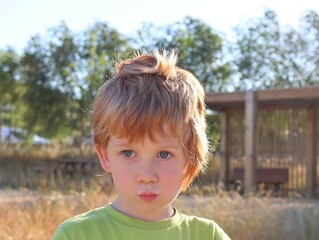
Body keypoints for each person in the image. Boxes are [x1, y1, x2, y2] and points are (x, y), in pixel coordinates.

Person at [52, 50, 231, 240]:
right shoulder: (76, 235)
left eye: (164, 154)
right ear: (105, 156)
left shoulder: (208, 236)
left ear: (189, 158)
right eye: (128, 153)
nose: (146, 176)